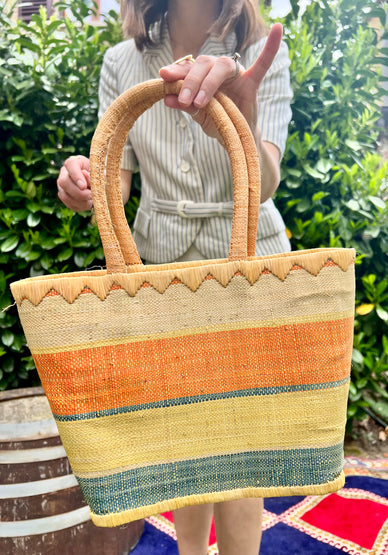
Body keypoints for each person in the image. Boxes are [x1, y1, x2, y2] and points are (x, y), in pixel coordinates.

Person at [57, 1, 292, 553]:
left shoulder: (259, 55)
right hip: (160, 271)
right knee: (183, 439)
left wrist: (245, 120)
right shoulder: (121, 61)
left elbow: (263, 186)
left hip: (248, 267)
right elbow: (115, 186)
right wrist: (87, 182)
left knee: (242, 443)